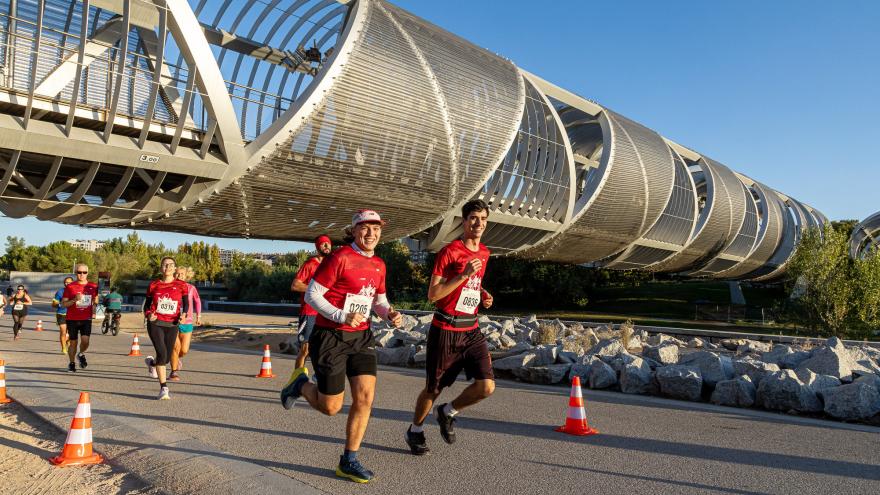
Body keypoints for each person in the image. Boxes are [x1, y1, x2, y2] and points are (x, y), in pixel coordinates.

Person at [280, 209, 403, 483]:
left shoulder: (380, 265)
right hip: (330, 336)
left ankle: (349, 460)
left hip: (361, 337)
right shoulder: (339, 257)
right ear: (354, 230)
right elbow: (312, 294)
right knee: (331, 407)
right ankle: (299, 384)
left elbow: (379, 301)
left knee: (365, 398)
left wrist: (389, 313)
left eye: (376, 228)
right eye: (365, 228)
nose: (371, 233)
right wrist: (340, 315)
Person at [405, 199, 495, 456]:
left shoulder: (485, 253)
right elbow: (433, 294)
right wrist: (464, 274)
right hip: (446, 329)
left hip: (472, 330)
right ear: (464, 222)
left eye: (483, 219)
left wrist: (483, 293)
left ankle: (448, 412)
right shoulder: (450, 252)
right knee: (433, 388)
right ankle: (415, 429)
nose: (479, 224)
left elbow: (472, 286)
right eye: (474, 218)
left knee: (487, 386)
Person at [143, 256, 189, 400]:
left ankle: (152, 363)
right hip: (156, 323)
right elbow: (147, 306)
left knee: (167, 358)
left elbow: (186, 305)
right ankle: (164, 388)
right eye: (164, 265)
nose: (167, 267)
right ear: (161, 268)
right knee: (162, 353)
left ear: (174, 268)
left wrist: (184, 314)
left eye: (170, 265)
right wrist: (149, 314)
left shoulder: (182, 285)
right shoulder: (153, 285)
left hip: (173, 324)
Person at [290, 235, 332, 370]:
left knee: (323, 349)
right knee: (305, 350)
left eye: (328, 244)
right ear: (317, 247)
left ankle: (319, 379)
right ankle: (296, 380)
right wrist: (315, 289)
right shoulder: (310, 264)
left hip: (326, 313)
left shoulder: (331, 265)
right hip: (309, 313)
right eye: (323, 244)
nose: (326, 246)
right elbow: (295, 285)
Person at [62, 265, 98, 371]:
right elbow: (63, 304)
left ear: (87, 273)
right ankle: (72, 363)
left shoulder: (93, 286)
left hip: (86, 318)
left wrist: (94, 311)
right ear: (75, 272)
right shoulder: (70, 287)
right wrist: (74, 300)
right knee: (73, 343)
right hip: (72, 318)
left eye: (84, 272)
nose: (82, 274)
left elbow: (95, 301)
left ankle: (81, 354)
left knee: (85, 341)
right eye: (79, 272)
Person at [169, 266, 201, 381]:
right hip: (172, 321)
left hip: (187, 322)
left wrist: (199, 316)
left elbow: (197, 301)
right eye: (177, 274)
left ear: (187, 275)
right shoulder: (170, 287)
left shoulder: (191, 288)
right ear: (173, 274)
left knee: (184, 350)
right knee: (175, 347)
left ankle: (174, 359)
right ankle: (173, 371)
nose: (179, 276)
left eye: (182, 274)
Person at [52, 276, 74, 353]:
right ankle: (64, 348)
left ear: (73, 283)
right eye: (66, 282)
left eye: (69, 282)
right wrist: (59, 304)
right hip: (61, 314)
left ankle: (67, 341)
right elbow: (53, 304)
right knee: (63, 331)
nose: (67, 283)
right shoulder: (60, 292)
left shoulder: (75, 292)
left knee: (71, 333)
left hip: (72, 314)